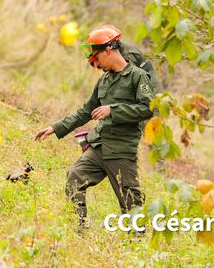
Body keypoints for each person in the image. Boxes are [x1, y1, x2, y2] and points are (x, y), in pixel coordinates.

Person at [34, 25, 154, 230]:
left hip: (121, 151)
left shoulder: (137, 76)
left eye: (96, 57)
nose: (95, 63)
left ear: (108, 50)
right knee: (74, 177)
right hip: (99, 146)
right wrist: (56, 128)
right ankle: (79, 229)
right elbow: (85, 111)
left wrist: (113, 110)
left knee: (131, 204)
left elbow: (147, 109)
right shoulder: (104, 80)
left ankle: (137, 248)